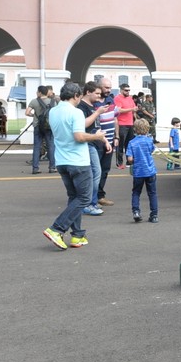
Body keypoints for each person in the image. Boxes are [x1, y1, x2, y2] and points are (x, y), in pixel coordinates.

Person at [42, 82, 111, 250]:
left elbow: (67, 131)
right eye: (79, 96)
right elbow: (79, 136)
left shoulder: (53, 111)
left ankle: (77, 235)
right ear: (76, 96)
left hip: (62, 160)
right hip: (78, 161)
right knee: (85, 198)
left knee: (74, 197)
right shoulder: (76, 112)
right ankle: (57, 228)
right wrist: (98, 136)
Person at [78, 82, 111, 216]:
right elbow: (83, 124)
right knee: (95, 173)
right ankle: (89, 203)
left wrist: (105, 140)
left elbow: (96, 128)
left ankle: (91, 201)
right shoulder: (81, 107)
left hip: (95, 142)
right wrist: (97, 112)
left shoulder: (93, 106)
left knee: (96, 173)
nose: (99, 96)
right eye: (97, 93)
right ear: (87, 92)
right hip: (88, 143)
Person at [126, 118, 159, 223]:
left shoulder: (132, 142)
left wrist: (134, 161)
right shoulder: (149, 141)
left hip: (138, 172)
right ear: (147, 129)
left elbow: (130, 159)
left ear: (135, 129)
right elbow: (152, 150)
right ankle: (154, 215)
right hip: (150, 170)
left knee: (136, 192)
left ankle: (136, 211)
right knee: (152, 193)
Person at [95, 78, 118, 207]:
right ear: (99, 87)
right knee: (95, 170)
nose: (108, 90)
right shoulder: (94, 103)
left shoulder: (111, 100)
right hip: (97, 142)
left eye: (110, 87)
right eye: (106, 88)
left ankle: (100, 196)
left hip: (110, 141)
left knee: (104, 170)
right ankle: (91, 197)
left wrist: (116, 137)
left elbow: (115, 120)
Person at [25, 85, 55, 174]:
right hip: (49, 127)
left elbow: (27, 112)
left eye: (37, 91)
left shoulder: (34, 101)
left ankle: (35, 168)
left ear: (40, 92)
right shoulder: (52, 102)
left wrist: (34, 115)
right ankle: (52, 167)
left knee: (37, 147)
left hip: (37, 126)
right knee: (51, 146)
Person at [114, 83, 138, 169]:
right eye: (126, 90)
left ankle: (129, 161)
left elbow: (134, 109)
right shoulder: (117, 98)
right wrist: (132, 109)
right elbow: (119, 110)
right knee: (120, 145)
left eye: (129, 90)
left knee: (129, 144)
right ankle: (119, 163)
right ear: (121, 90)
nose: (128, 92)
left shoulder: (130, 98)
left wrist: (136, 119)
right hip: (121, 124)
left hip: (130, 123)